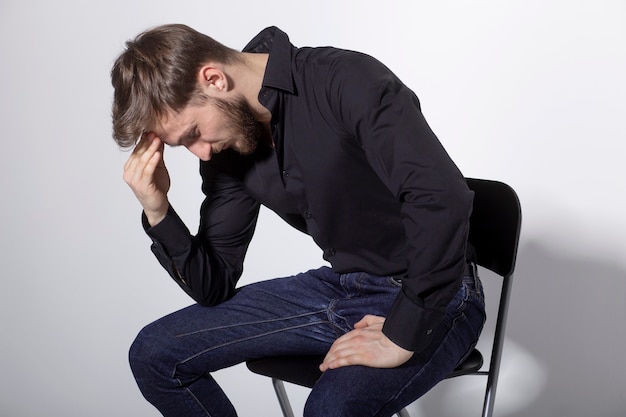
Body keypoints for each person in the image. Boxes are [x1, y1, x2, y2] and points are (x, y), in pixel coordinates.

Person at [111, 23, 486, 417]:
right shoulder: (227, 149)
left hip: (437, 292)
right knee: (154, 355)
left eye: (193, 133)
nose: (200, 153)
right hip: (338, 289)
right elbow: (213, 284)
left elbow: (441, 198)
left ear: (214, 79)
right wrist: (157, 210)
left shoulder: (344, 80)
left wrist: (401, 333)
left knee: (330, 408)